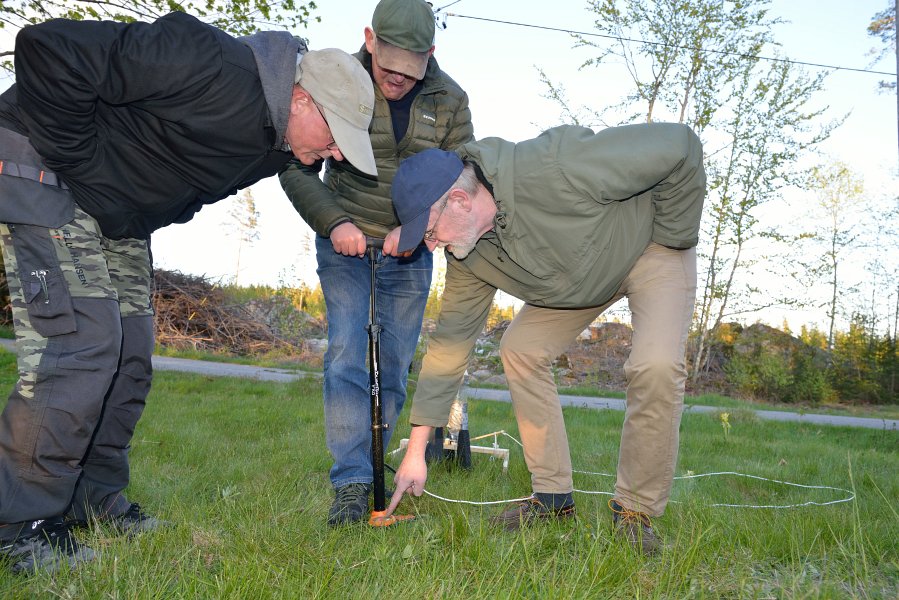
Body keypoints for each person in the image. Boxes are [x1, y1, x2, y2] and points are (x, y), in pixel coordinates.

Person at [0, 12, 376, 574]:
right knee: (80, 347)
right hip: (44, 162)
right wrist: (85, 165)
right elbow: (48, 47)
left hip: (115, 213)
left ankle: (92, 502)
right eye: (336, 138)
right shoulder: (208, 62)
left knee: (128, 354)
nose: (338, 154)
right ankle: (17, 526)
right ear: (301, 100)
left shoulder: (274, 145)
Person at [385, 123, 706, 554]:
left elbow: (679, 146)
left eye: (430, 233)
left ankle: (635, 511)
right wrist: (416, 452)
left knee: (657, 365)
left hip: (649, 247)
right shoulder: (469, 253)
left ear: (459, 201)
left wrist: (672, 238)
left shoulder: (555, 165)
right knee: (520, 349)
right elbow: (450, 346)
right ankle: (553, 498)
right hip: (579, 283)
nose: (431, 245)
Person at [279, 0, 473, 526]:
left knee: (392, 364)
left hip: (410, 252)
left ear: (430, 55)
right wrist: (334, 222)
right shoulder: (335, 80)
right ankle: (352, 482)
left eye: (410, 73)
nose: (396, 81)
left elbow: (463, 176)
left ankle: (378, 463)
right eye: (387, 69)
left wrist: (414, 232)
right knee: (346, 355)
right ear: (369, 39)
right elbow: (294, 165)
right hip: (344, 241)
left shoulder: (451, 99)